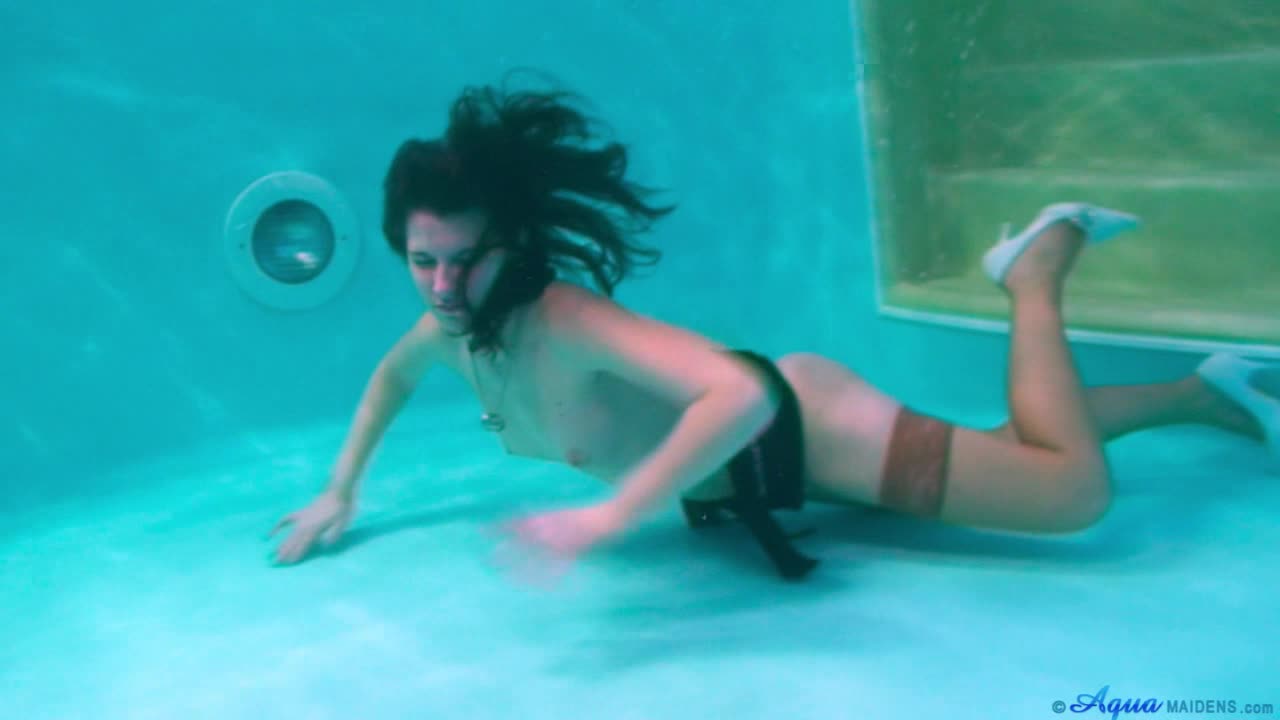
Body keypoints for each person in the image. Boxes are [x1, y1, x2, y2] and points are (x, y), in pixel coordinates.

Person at [269, 80, 1280, 580]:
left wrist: (609, 519)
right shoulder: (448, 330)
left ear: (514, 241)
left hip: (807, 431)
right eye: (423, 261)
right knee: (1014, 451)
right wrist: (341, 488)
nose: (445, 286)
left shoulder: (563, 317)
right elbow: (390, 381)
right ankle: (1201, 395)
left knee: (1068, 496)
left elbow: (742, 394)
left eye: (466, 258)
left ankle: (1036, 270)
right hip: (776, 466)